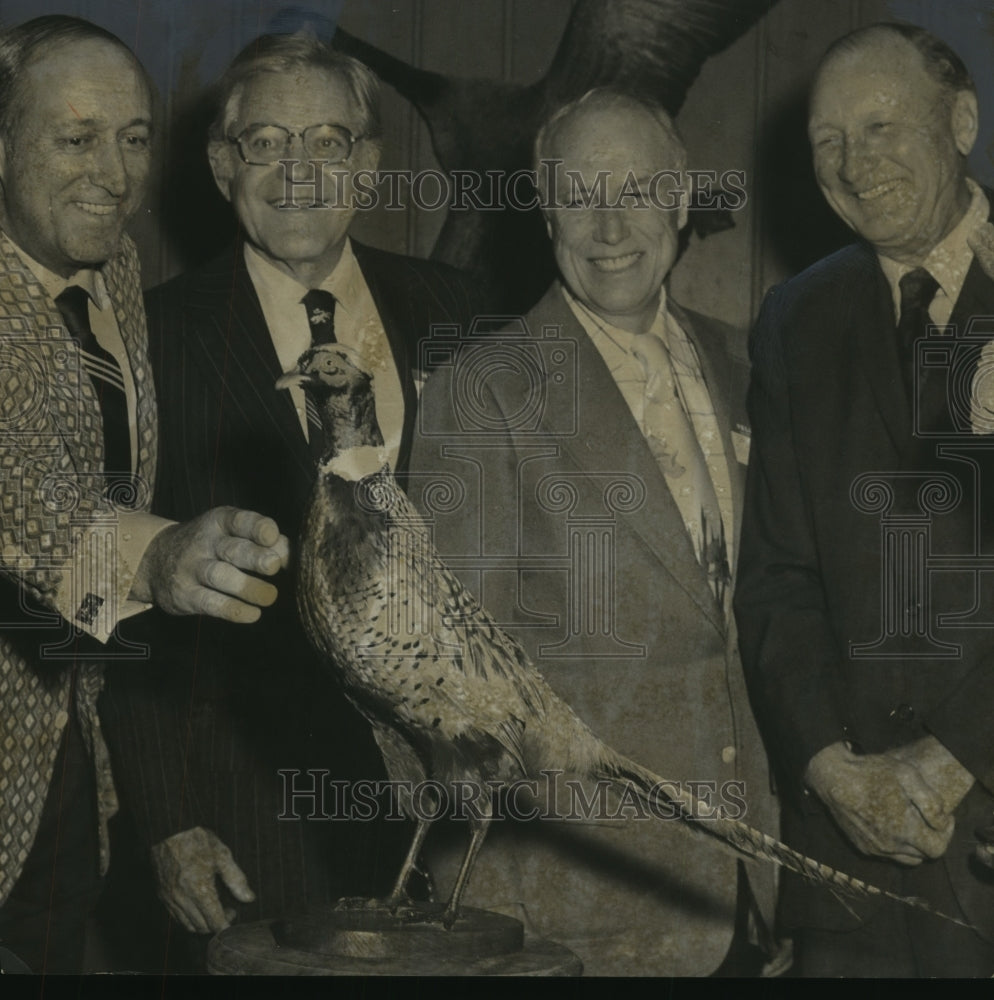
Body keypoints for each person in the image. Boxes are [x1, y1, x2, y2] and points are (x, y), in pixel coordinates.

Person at [101, 32, 484, 955]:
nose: (298, 170)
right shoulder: (143, 341)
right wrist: (166, 820)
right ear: (223, 164)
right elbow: (118, 584)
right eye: (267, 142)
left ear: (369, 164)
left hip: (459, 808)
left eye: (327, 141)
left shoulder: (465, 315)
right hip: (250, 810)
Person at [407, 87, 778, 976]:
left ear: (684, 200)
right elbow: (451, 691)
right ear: (544, 210)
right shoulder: (481, 392)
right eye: (579, 195)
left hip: (751, 890)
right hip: (574, 914)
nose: (611, 224)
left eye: (639, 191)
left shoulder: (747, 363)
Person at [0, 16, 289, 973]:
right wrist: (158, 556)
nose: (115, 176)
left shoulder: (114, 268)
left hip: (64, 777)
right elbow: (27, 499)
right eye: (75, 138)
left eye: (132, 139)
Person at [735, 23, 994, 976]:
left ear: (961, 121)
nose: (855, 163)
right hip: (853, 874)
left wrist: (960, 748)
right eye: (827, 142)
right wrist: (827, 767)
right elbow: (777, 577)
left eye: (881, 126)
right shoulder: (795, 318)